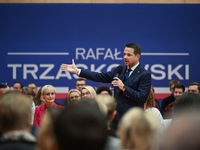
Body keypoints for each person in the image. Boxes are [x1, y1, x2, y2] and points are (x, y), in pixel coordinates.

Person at [61, 43, 151, 124]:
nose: (125, 57)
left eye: (129, 55)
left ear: (137, 56)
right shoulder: (121, 69)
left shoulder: (144, 74)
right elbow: (99, 76)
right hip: (116, 118)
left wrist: (124, 87)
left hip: (133, 120)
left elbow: (142, 97)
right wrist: (78, 71)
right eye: (124, 54)